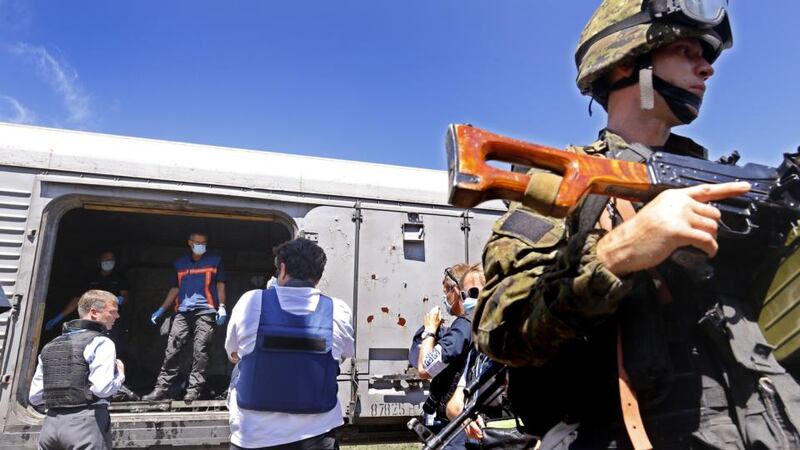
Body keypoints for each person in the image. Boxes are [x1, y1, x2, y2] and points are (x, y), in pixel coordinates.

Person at [473, 1, 800, 448]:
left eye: (706, 56)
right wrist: (619, 253)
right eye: (687, 51)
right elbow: (499, 330)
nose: (706, 69)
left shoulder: (732, 190)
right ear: (627, 63)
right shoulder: (566, 189)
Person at [225, 237, 354, 449]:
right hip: (317, 437)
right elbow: (344, 354)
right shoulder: (339, 310)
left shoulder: (251, 301)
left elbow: (233, 352)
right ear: (319, 276)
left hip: (253, 438)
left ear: (282, 269)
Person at [30, 289, 125, 450]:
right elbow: (102, 389)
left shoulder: (51, 345)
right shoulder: (102, 342)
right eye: (113, 312)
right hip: (86, 425)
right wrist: (120, 374)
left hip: (50, 426)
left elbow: (35, 397)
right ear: (94, 312)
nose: (117, 316)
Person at [143, 231, 227, 402]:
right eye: (197, 242)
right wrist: (161, 309)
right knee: (172, 349)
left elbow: (220, 286)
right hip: (182, 311)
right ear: (190, 243)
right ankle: (161, 389)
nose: (201, 245)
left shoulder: (215, 261)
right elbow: (175, 289)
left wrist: (222, 307)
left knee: (200, 351)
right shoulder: (180, 264)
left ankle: (194, 389)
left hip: (205, 311)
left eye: (204, 242)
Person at [409, 263, 474, 449]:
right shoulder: (476, 321)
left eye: (446, 291)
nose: (445, 297)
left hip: (457, 427)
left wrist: (430, 330)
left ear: (456, 291)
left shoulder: (463, 326)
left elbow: (424, 368)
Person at [44, 251, 130, 331]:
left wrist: (120, 299)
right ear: (100, 261)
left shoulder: (120, 278)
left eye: (111, 260)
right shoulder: (90, 277)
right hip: (90, 320)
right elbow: (78, 299)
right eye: (105, 259)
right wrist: (60, 316)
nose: (108, 262)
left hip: (109, 320)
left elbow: (126, 297)